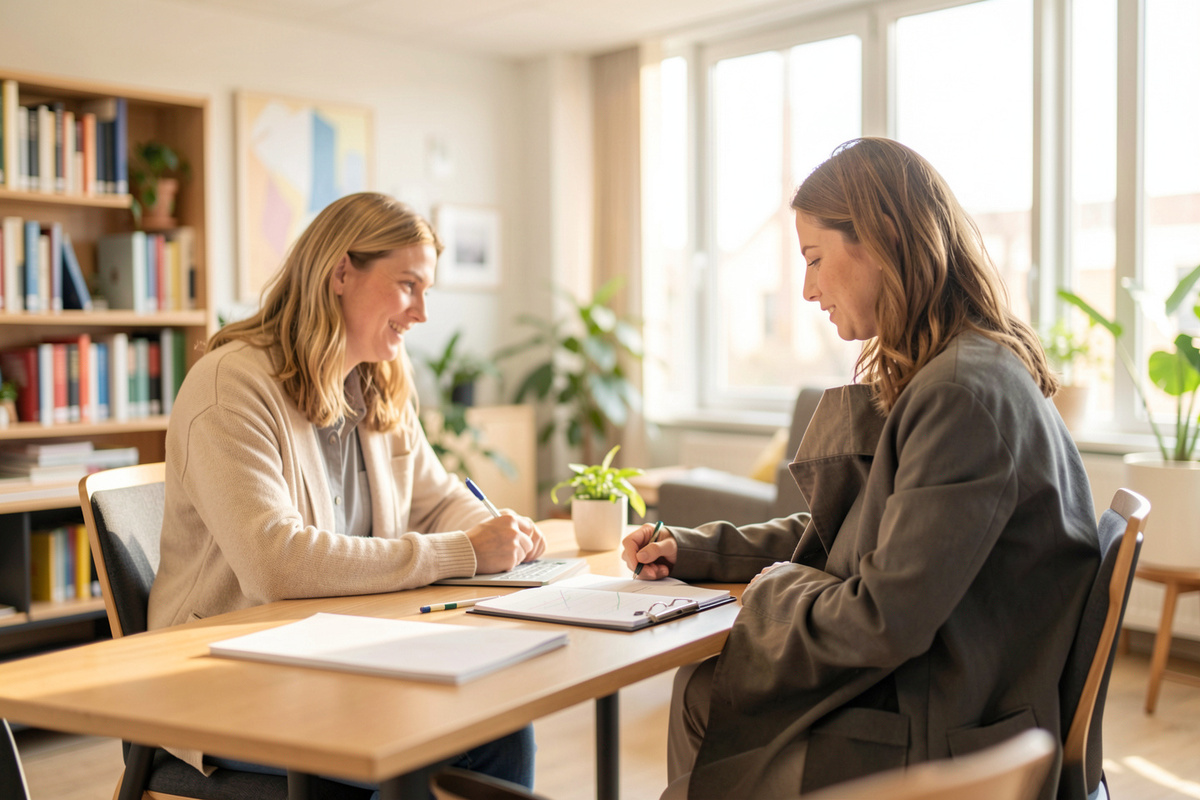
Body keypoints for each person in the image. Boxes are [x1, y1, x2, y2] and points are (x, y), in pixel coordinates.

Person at [623, 138, 1101, 800]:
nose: (807, 288)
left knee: (709, 701)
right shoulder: (959, 373)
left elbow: (885, 617)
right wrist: (703, 549)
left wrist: (775, 590)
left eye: (815, 259)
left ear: (878, 242)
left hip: (942, 736)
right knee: (703, 690)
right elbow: (855, 528)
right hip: (957, 693)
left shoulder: (961, 395)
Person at [147, 192, 544, 794]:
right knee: (402, 737)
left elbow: (436, 499)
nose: (421, 314)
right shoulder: (231, 385)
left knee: (499, 725)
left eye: (426, 291)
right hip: (226, 676)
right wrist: (465, 552)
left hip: (341, 655)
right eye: (408, 285)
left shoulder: (376, 381)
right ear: (340, 273)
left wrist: (498, 532)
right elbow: (275, 561)